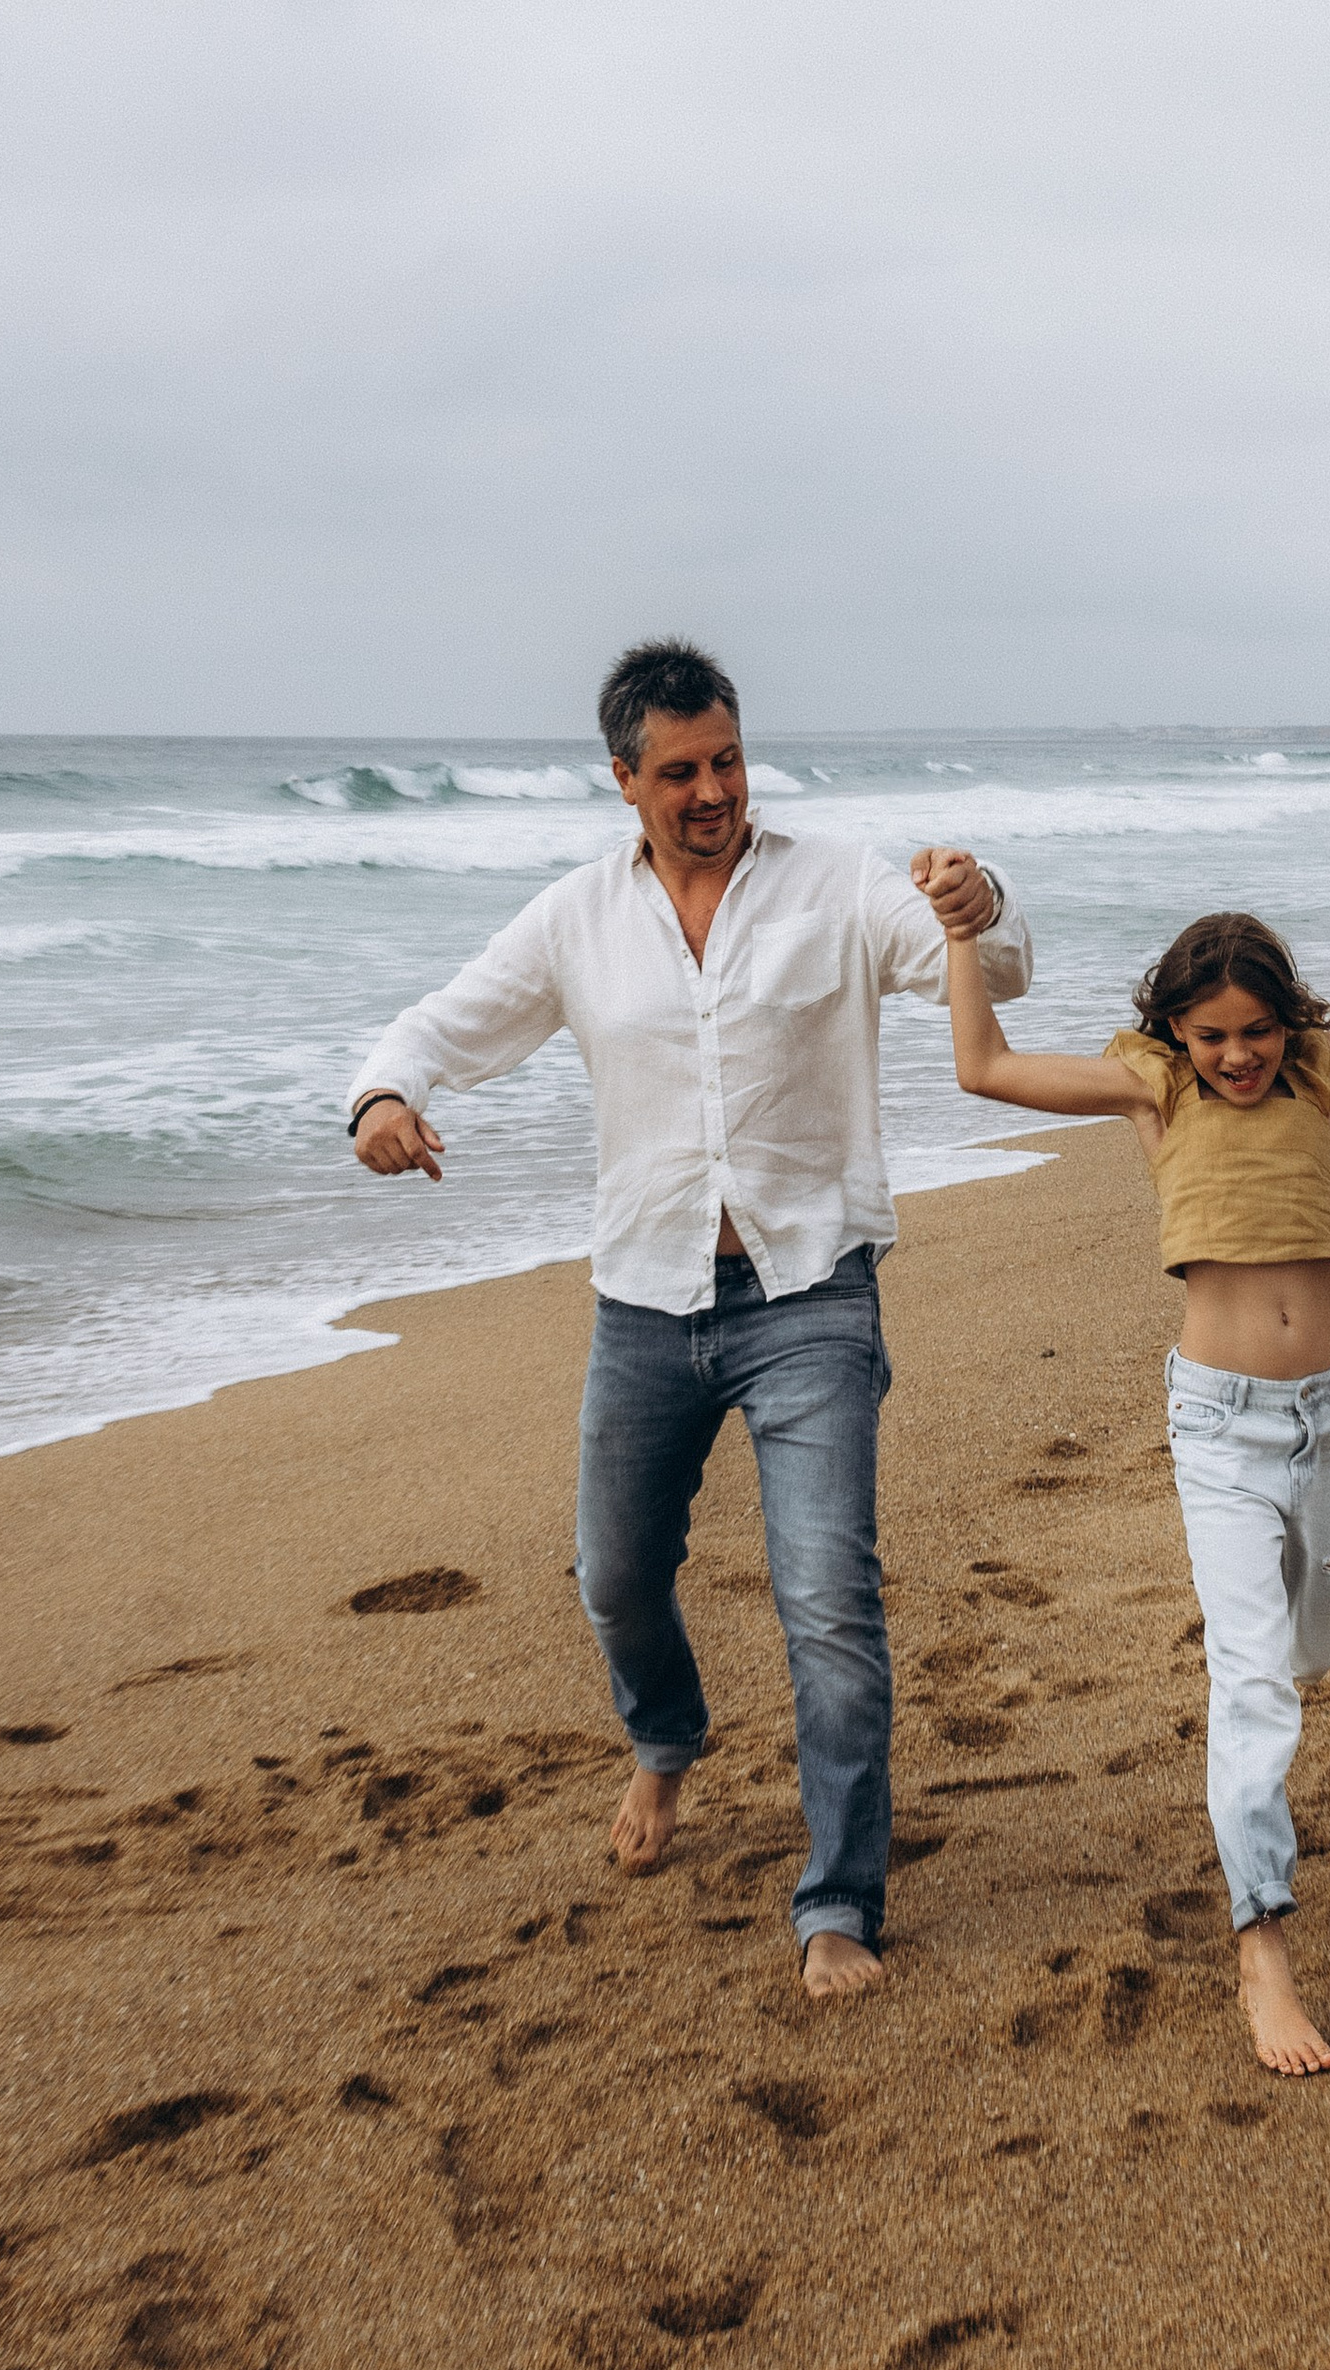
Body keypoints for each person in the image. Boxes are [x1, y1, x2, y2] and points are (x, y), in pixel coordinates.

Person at [343, 638, 1029, 2002]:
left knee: (829, 1598)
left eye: (726, 758)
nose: (712, 788)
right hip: (645, 1303)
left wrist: (978, 898)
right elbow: (442, 1024)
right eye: (680, 771)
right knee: (614, 1575)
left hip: (811, 1296)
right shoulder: (576, 920)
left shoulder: (837, 884)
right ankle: (666, 1741)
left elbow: (992, 970)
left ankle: (838, 1897)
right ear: (624, 780)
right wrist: (380, 1100)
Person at [940, 844, 1330, 2076]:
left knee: (1312, 1648)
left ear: (1284, 1023)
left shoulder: (1319, 1070)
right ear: (1174, 1033)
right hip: (1221, 1426)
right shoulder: (1155, 1093)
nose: (1235, 1057)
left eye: (1252, 1032)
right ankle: (1263, 1949)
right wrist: (956, 933)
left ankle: (1264, 1696)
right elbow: (980, 1068)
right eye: (1210, 1037)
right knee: (1253, 1687)